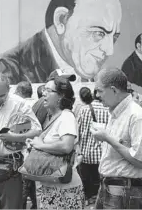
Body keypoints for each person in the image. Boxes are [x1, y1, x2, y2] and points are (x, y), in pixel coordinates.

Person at [0, 0, 122, 84]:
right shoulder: (6, 69)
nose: (110, 50)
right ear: (61, 20)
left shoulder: (91, 72)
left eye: (114, 38)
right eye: (99, 33)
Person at [92, 68, 142, 209]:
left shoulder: (136, 116)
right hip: (110, 187)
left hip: (123, 190)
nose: (97, 95)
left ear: (114, 90)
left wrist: (108, 139)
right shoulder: (116, 113)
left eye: (100, 91)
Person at [0, 72, 41, 209]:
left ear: (9, 89)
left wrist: (14, 137)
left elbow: (37, 130)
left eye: (1, 96)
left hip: (12, 165)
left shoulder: (19, 104)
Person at [27, 76, 84, 209]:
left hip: (64, 189)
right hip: (51, 185)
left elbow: (66, 145)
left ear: (61, 95)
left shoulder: (66, 116)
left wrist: (40, 145)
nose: (43, 93)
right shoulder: (53, 117)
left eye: (48, 90)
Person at [77, 87, 109, 206]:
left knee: (86, 180)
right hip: (102, 154)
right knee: (99, 181)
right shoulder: (108, 110)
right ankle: (98, 200)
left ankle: (88, 199)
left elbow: (78, 130)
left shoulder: (84, 109)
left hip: (86, 153)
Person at [15, 81, 38, 209]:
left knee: (23, 186)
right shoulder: (39, 104)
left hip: (24, 153)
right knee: (35, 185)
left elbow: (18, 131)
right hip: (38, 152)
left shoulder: (19, 107)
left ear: (19, 93)